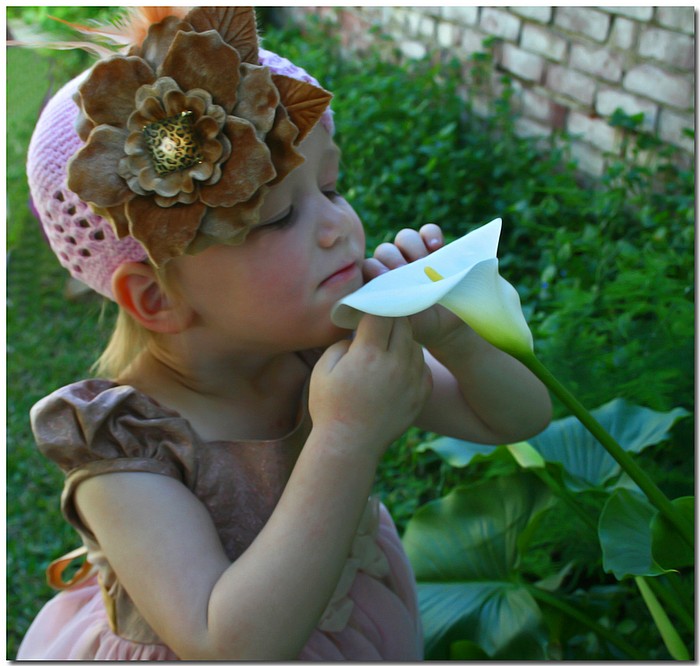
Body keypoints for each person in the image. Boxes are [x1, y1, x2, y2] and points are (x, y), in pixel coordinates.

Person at [16, 7, 552, 660]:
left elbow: (518, 418)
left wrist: (452, 335)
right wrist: (346, 437)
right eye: (278, 216)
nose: (338, 227)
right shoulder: (124, 449)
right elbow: (229, 642)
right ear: (157, 296)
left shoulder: (316, 342)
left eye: (331, 186)